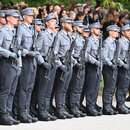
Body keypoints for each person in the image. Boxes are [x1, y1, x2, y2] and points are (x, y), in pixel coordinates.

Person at [16, 8, 38, 123]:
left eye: (32, 16)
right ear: (24, 17)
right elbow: (17, 46)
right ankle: (21, 111)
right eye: (29, 16)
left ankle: (27, 110)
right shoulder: (21, 28)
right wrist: (28, 52)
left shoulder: (31, 29)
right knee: (23, 88)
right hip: (25, 60)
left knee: (30, 88)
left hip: (33, 61)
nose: (31, 17)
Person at [34, 13, 57, 121]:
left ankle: (46, 110)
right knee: (43, 90)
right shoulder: (43, 35)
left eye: (55, 21)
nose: (54, 23)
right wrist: (42, 62)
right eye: (52, 21)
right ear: (47, 23)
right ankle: (41, 110)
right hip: (44, 65)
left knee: (49, 90)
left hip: (52, 64)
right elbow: (37, 50)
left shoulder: (54, 35)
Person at [0, 9, 21, 125]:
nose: (17, 19)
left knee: (12, 91)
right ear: (8, 18)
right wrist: (9, 54)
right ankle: (2, 114)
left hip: (15, 64)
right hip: (6, 63)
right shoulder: (3, 31)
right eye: (14, 17)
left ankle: (8, 113)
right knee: (5, 91)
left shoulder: (15, 32)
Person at [53, 17, 74, 119]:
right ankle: (59, 108)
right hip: (62, 64)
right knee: (60, 89)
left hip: (69, 64)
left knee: (65, 88)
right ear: (63, 24)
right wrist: (60, 64)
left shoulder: (69, 36)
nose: (70, 25)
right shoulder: (59, 36)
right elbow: (54, 53)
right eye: (68, 23)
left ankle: (63, 106)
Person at [68, 21, 87, 118]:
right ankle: (72, 106)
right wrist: (76, 62)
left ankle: (77, 105)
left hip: (82, 64)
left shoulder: (82, 39)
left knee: (79, 88)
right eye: (79, 27)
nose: (82, 28)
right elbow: (71, 53)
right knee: (74, 88)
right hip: (75, 65)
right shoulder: (73, 38)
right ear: (74, 28)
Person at [84, 22, 102, 116]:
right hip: (92, 66)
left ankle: (93, 103)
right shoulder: (90, 40)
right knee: (91, 87)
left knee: (96, 86)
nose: (99, 30)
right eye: (97, 29)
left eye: (99, 29)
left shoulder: (98, 40)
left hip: (98, 66)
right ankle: (89, 106)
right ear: (92, 30)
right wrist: (94, 61)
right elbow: (86, 54)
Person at [102, 25, 120, 115]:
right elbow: (104, 56)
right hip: (108, 67)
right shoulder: (107, 42)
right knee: (108, 87)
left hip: (113, 66)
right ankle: (106, 107)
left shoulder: (114, 42)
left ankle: (109, 104)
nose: (117, 33)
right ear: (110, 32)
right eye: (115, 31)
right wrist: (110, 64)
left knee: (112, 87)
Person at [116, 24, 130, 114]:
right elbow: (116, 56)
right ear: (123, 32)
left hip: (128, 66)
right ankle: (120, 104)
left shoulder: (128, 42)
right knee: (122, 86)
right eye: (128, 31)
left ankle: (122, 103)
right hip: (122, 67)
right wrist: (122, 64)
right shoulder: (120, 42)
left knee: (125, 86)